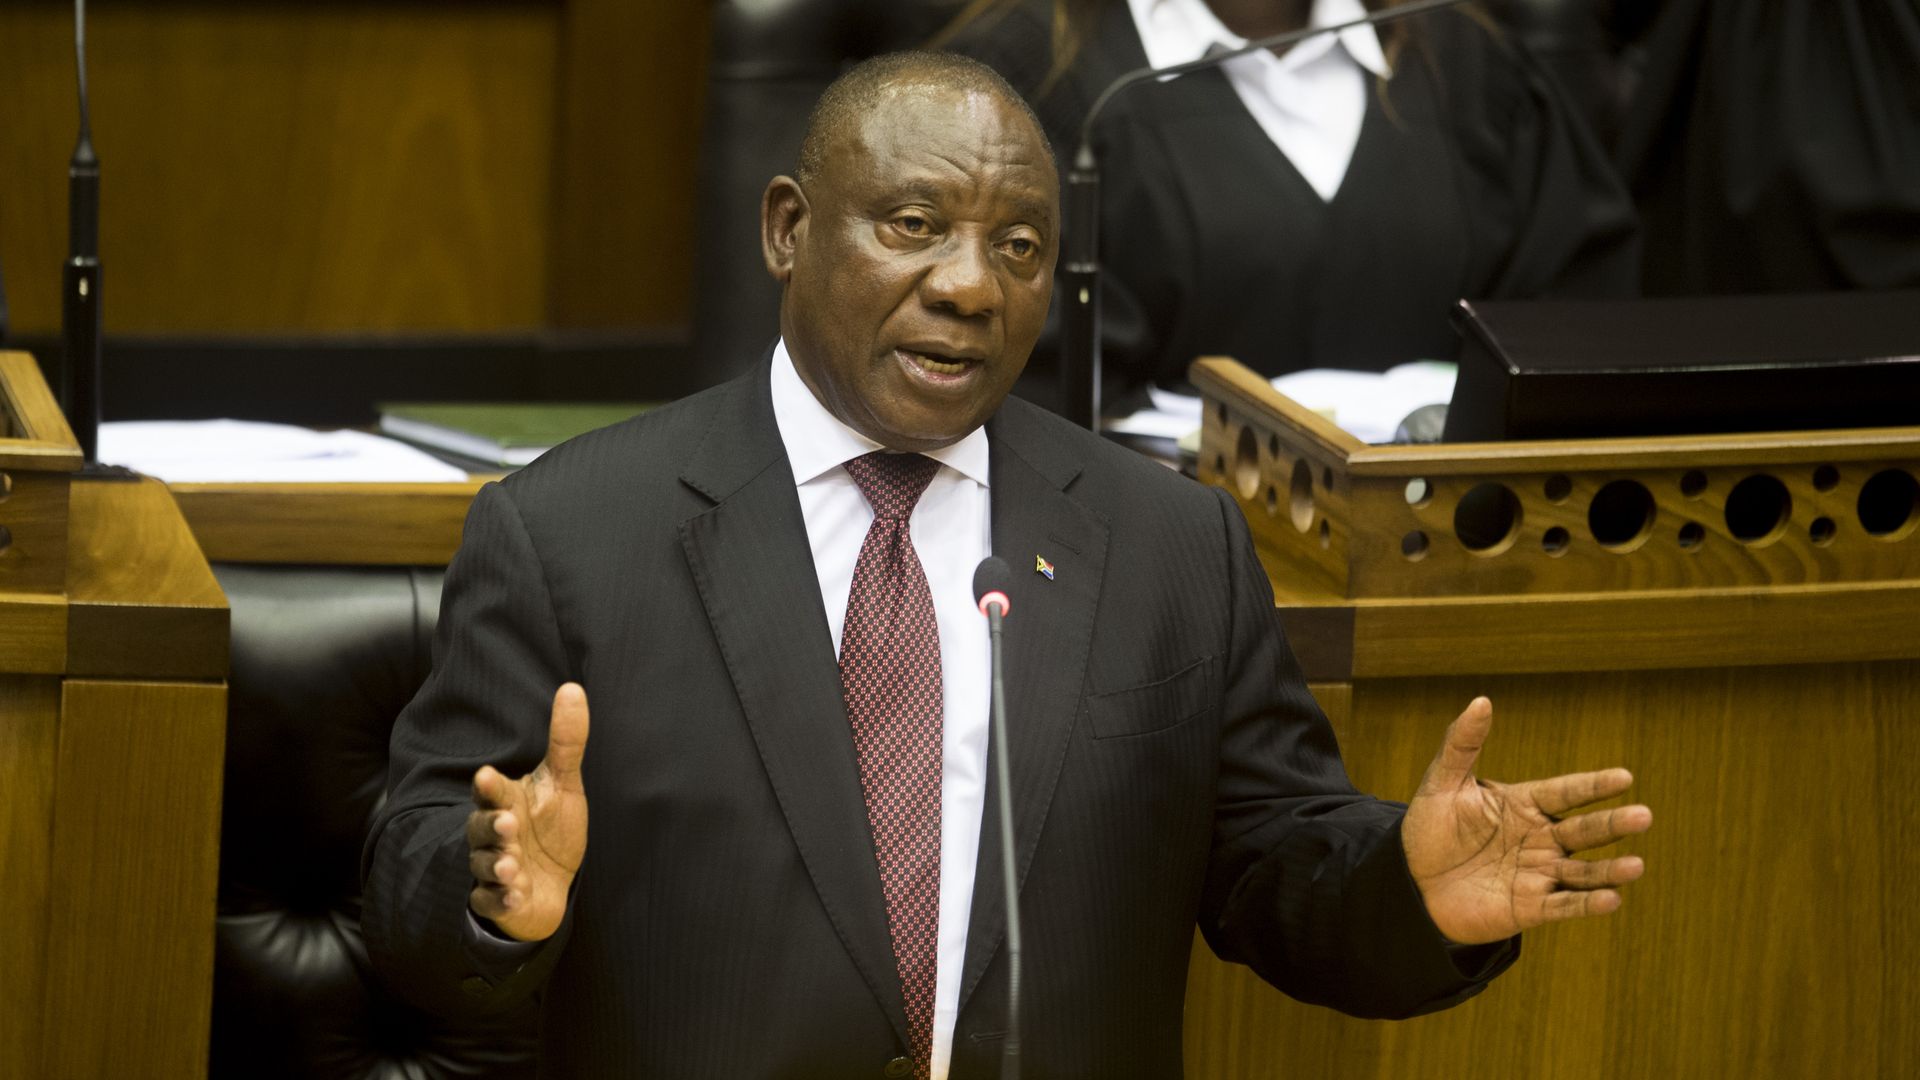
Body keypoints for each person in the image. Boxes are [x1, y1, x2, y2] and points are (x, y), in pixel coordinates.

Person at [362, 51, 1650, 1079]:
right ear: (788, 231)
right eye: (914, 224)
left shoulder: (1169, 544)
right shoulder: (571, 532)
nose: (971, 287)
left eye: (1020, 249)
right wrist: (493, 888)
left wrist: (1407, 891)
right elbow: (417, 877)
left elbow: (1275, 867)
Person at [938, 0, 1641, 413]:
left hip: (1446, 538)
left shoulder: (1462, 59)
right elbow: (1006, 368)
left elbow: (1572, 323)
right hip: (1150, 556)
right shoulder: (1029, 77)